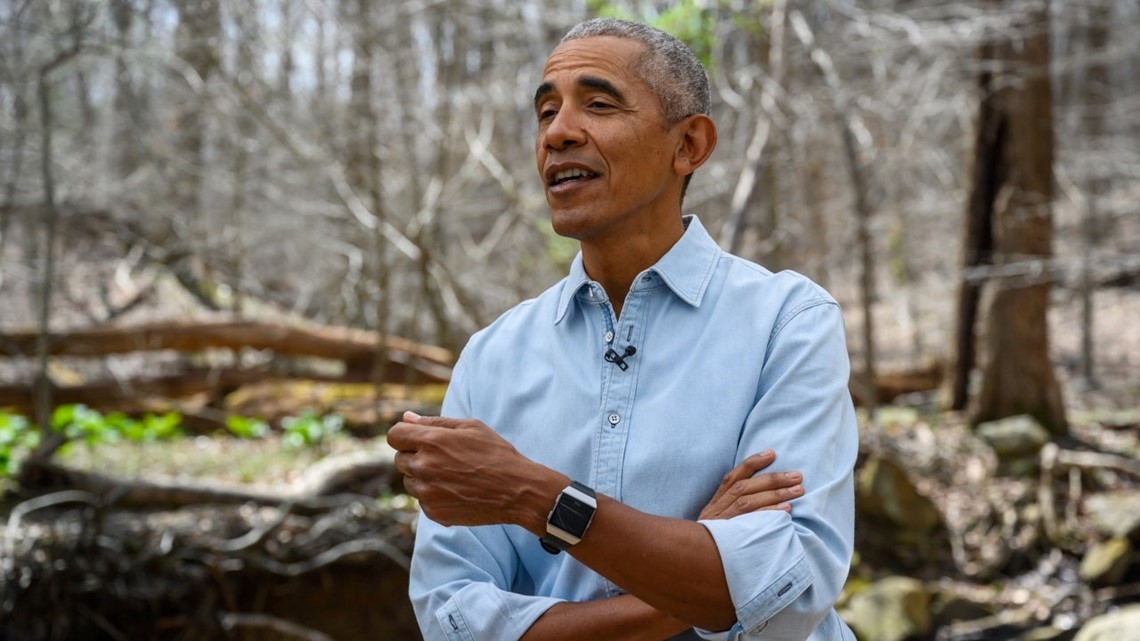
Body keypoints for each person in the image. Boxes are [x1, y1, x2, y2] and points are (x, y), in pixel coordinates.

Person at [387, 17, 857, 641]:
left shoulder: (788, 322)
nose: (558, 133)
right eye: (546, 111)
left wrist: (530, 493)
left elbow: (788, 596)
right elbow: (456, 623)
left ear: (689, 145)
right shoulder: (491, 357)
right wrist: (696, 575)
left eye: (599, 104)